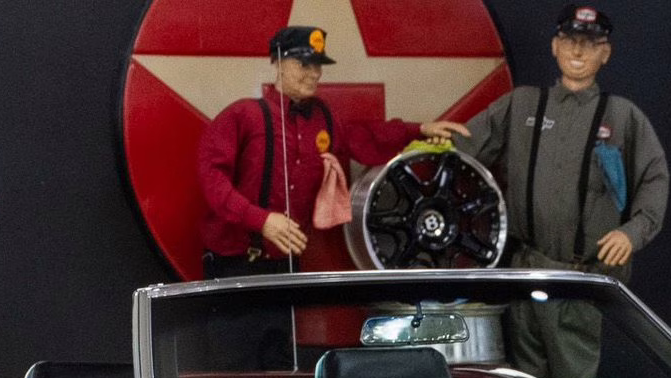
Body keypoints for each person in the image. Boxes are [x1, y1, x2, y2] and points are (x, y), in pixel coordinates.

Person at [457, 6, 669, 378]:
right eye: (570, 41)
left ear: (605, 53)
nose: (578, 51)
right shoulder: (522, 105)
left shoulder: (621, 116)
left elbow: (654, 179)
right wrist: (420, 136)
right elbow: (463, 144)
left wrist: (632, 233)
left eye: (590, 44)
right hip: (525, 272)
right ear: (555, 46)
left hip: (582, 280)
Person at [197, 25, 470, 279]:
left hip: (286, 263)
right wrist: (261, 220)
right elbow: (212, 178)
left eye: (318, 65)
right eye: (304, 64)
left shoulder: (324, 118)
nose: (315, 73)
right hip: (235, 262)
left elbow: (365, 137)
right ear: (278, 63)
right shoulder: (244, 115)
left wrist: (420, 130)